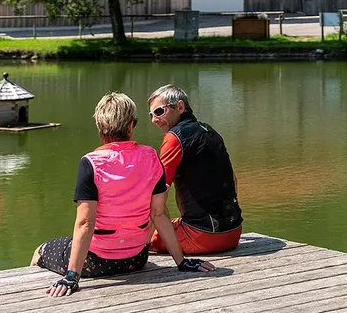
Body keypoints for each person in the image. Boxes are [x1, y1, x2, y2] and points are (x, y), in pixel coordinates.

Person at [30, 92, 215, 298]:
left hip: (95, 263)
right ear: (130, 126)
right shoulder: (151, 157)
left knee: (41, 250)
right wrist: (181, 262)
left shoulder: (90, 163)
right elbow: (159, 214)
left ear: (100, 127)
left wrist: (72, 276)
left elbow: (85, 224)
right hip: (136, 259)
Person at [147, 84, 243, 255]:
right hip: (234, 232)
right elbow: (233, 180)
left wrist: (143, 238)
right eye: (151, 114)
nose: (154, 119)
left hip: (202, 237)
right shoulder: (210, 131)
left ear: (180, 107)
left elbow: (158, 193)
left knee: (148, 238)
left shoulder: (174, 138)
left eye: (159, 112)